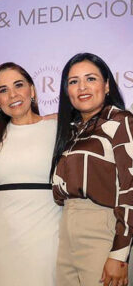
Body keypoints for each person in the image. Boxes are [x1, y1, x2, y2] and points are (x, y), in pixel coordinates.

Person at [0, 62, 61, 285]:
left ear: (31, 90)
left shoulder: (58, 128)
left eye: (18, 85)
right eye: (2, 90)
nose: (12, 94)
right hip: (1, 239)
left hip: (47, 237)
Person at [51, 53, 133, 286]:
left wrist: (119, 253)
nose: (82, 87)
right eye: (73, 81)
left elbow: (131, 188)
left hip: (104, 229)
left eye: (91, 79)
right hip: (67, 229)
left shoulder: (120, 121)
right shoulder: (72, 132)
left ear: (107, 85)